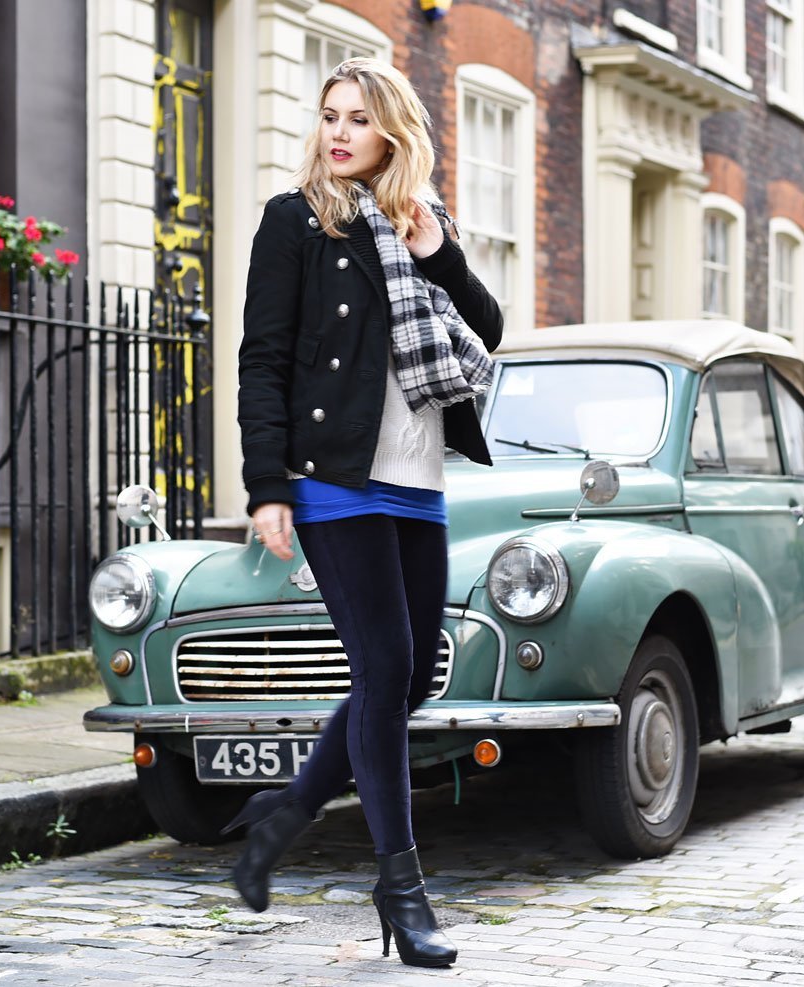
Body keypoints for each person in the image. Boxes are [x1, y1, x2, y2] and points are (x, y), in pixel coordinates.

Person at [227, 57, 504, 969]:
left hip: (416, 479)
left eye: (357, 119)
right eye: (329, 116)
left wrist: (438, 252)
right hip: (331, 476)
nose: (338, 133)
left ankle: (287, 811)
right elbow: (262, 359)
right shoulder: (295, 223)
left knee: (411, 676)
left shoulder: (423, 225)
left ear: (393, 134)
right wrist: (267, 484)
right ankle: (403, 888)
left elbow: (488, 329)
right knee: (384, 666)